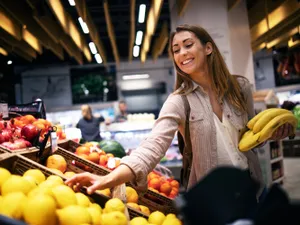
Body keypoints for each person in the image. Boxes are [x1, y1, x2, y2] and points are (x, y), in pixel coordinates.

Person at [66, 25, 292, 202]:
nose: (182, 53)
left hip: (251, 187)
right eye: (176, 50)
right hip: (210, 199)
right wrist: (108, 178)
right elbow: (152, 147)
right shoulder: (179, 101)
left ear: (208, 48)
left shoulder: (240, 88)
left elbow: (250, 138)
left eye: (188, 45)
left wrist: (272, 134)